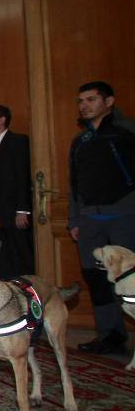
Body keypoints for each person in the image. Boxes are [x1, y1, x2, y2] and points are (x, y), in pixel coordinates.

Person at [68, 81, 135, 355]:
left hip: (124, 215)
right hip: (89, 220)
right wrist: (74, 220)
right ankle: (111, 334)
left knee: (130, 278)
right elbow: (74, 183)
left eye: (91, 99)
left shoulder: (127, 132)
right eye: (81, 100)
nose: (85, 105)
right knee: (96, 278)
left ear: (109, 101)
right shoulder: (80, 141)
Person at [0, 104, 34, 279]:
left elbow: (23, 177)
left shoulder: (19, 142)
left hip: (16, 213)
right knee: (3, 261)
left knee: (23, 259)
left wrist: (22, 209)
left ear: (2, 120)